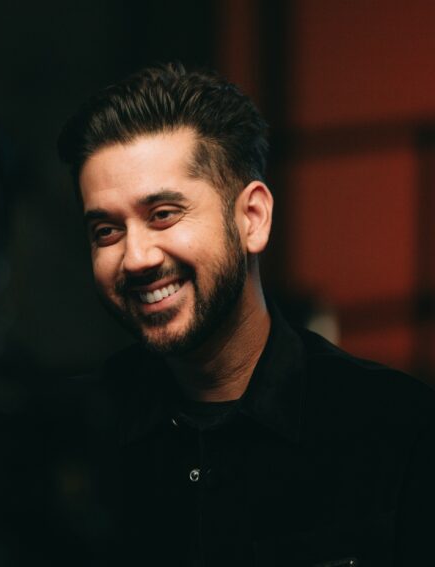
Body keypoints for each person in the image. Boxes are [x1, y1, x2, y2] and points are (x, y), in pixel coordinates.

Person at [55, 63, 435, 567]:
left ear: (252, 218)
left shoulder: (397, 430)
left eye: (163, 215)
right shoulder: (67, 439)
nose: (136, 257)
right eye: (106, 231)